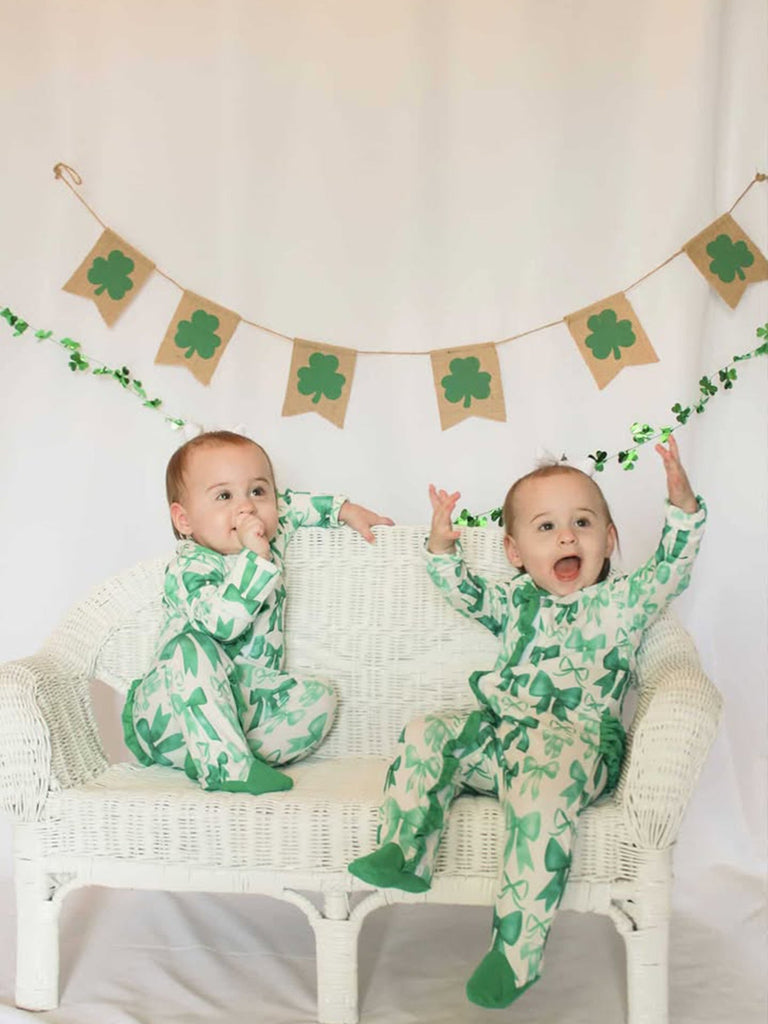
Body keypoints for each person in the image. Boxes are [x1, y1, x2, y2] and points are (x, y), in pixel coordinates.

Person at [348, 436, 705, 1009]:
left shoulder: (622, 601)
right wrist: (440, 545)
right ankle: (407, 849)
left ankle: (515, 955)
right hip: (502, 739)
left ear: (608, 541)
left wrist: (682, 507)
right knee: (428, 730)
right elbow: (462, 593)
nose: (567, 536)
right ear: (515, 553)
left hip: (576, 749)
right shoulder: (515, 602)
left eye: (583, 523)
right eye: (546, 528)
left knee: (539, 798)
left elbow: (672, 568)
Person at [123, 430, 393, 796]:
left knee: (320, 699)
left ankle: (215, 754)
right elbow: (222, 624)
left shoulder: (270, 531)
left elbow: (294, 505)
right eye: (224, 496)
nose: (246, 507)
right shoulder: (191, 567)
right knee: (191, 647)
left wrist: (344, 511)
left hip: (240, 703)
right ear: (184, 520)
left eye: (257, 491)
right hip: (171, 709)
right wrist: (256, 559)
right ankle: (225, 766)